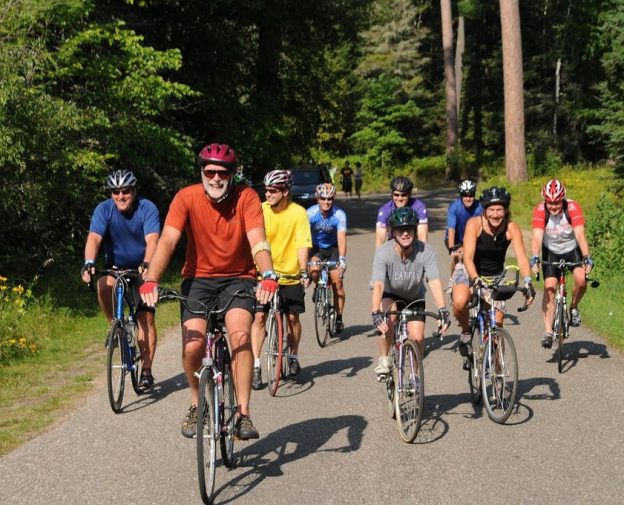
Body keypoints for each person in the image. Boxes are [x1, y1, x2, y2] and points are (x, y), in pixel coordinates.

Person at [139, 143, 278, 441]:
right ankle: (195, 401)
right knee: (192, 347)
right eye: (210, 171)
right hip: (197, 280)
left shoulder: (247, 197)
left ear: (232, 174)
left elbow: (258, 240)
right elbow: (167, 241)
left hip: (238, 278)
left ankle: (242, 414)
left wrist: (267, 273)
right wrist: (151, 279)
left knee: (240, 336)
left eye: (223, 172)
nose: (216, 178)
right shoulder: (185, 197)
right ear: (201, 171)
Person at [80, 169, 160, 389]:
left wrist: (147, 263)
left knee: (146, 319)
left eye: (125, 191)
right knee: (103, 285)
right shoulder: (103, 210)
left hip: (142, 268)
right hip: (115, 267)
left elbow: (153, 239)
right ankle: (114, 326)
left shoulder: (147, 208)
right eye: (116, 192)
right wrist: (89, 262)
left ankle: (146, 370)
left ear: (134, 191)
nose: (120, 196)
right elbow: (94, 238)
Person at [370, 207, 451, 377]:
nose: (405, 234)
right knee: (388, 319)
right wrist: (376, 311)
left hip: (415, 297)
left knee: (418, 338)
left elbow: (434, 282)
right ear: (393, 232)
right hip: (391, 295)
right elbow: (378, 285)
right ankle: (384, 359)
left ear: (415, 230)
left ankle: (415, 377)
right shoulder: (383, 252)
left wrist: (442, 309)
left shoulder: (425, 251)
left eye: (409, 229)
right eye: (400, 230)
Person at [251, 170, 312, 390]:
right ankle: (256, 365)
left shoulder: (298, 213)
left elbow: (302, 243)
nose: (268, 194)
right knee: (258, 317)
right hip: (263, 274)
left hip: (290, 274)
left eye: (273, 190)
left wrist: (304, 270)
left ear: (285, 191)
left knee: (293, 318)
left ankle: (293, 356)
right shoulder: (259, 210)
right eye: (266, 190)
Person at [461, 186, 535, 356]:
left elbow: (522, 258)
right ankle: (465, 332)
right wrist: (475, 279)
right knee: (460, 302)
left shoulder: (511, 228)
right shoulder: (474, 224)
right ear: (485, 211)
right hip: (470, 271)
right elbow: (467, 258)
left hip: (495, 276)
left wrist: (528, 282)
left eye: (499, 210)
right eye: (491, 210)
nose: (495, 215)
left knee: (497, 322)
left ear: (506, 210)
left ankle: (498, 373)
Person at [530, 179, 594, 348]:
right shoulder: (540, 210)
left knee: (581, 279)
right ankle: (548, 332)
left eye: (557, 202)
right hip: (551, 251)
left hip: (572, 249)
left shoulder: (572, 207)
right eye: (550, 203)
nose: (553, 206)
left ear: (563, 199)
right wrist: (535, 256)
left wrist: (586, 256)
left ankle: (573, 307)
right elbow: (537, 237)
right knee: (550, 287)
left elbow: (580, 234)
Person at [445, 180, 483, 341]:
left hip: (474, 238)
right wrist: (453, 248)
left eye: (471, 195)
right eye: (465, 195)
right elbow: (451, 229)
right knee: (458, 260)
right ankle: (453, 284)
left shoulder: (480, 207)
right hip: (458, 240)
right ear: (461, 196)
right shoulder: (455, 207)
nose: (468, 198)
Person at [307, 183, 348, 333]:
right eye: (323, 198)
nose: (326, 202)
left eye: (329, 198)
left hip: (333, 248)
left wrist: (342, 258)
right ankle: (318, 287)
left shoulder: (339, 214)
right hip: (316, 247)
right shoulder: (310, 214)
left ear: (333, 198)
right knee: (314, 270)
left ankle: (338, 318)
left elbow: (342, 239)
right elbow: (304, 238)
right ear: (317, 199)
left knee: (338, 283)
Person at [375, 176, 428, 247]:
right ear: (392, 195)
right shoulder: (385, 210)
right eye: (396, 195)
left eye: (403, 195)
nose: (400, 198)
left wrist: (423, 256)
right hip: (394, 246)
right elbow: (380, 238)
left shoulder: (419, 207)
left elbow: (422, 237)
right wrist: (379, 256)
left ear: (409, 195)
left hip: (413, 245)